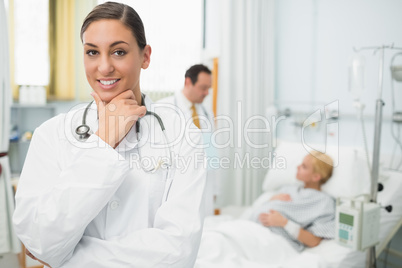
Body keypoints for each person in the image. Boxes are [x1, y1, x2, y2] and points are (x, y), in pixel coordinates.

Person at [12, 2, 206, 267]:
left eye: (118, 52)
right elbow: (39, 241)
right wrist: (102, 142)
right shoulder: (51, 135)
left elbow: (178, 253)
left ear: (145, 56)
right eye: (92, 52)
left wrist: (67, 257)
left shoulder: (183, 136)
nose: (104, 67)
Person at [158, 64, 219, 216]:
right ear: (188, 82)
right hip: (177, 180)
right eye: (203, 87)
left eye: (208, 89)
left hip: (204, 180)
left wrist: (215, 189)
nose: (206, 93)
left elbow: (210, 152)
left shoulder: (205, 111)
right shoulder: (164, 107)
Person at [253, 151, 336, 251]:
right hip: (254, 229)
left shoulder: (324, 202)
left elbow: (314, 241)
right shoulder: (289, 189)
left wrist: (284, 222)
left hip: (275, 241)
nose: (298, 167)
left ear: (316, 177)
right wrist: (272, 199)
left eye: (304, 166)